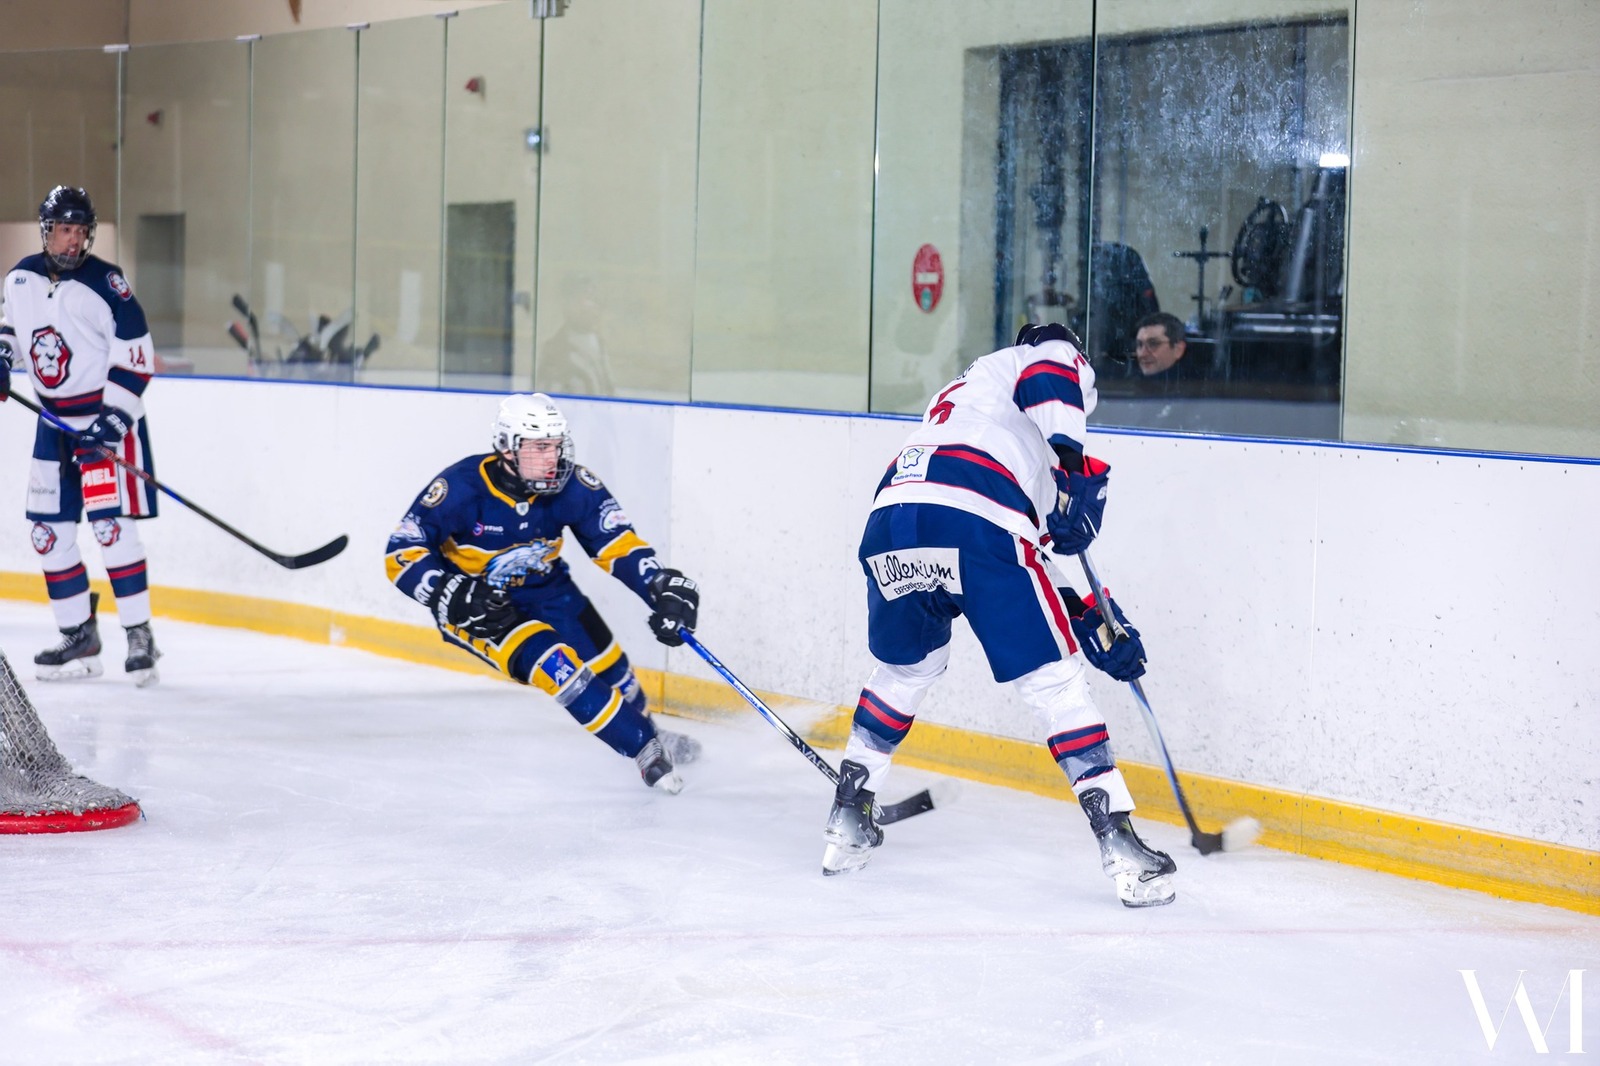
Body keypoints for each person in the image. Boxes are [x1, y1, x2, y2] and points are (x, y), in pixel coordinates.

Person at [822, 323, 1177, 907]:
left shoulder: (975, 407)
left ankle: (848, 817)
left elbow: (1027, 554)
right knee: (1056, 686)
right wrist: (1072, 464)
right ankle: (1120, 843)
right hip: (975, 518)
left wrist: (1095, 617)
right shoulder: (1039, 357)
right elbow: (1049, 372)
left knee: (905, 673)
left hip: (894, 518)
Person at [385, 393, 702, 792]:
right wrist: (446, 590)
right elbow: (401, 551)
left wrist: (660, 585)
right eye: (539, 447)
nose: (551, 457)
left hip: (549, 590)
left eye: (555, 445)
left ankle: (649, 728)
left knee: (610, 664)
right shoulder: (461, 487)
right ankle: (643, 747)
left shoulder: (573, 485)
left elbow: (616, 542)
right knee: (556, 665)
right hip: (481, 607)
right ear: (507, 448)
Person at [0, 186, 162, 686]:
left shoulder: (108, 284)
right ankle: (78, 634)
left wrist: (112, 423)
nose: (72, 240)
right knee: (48, 533)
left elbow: (137, 358)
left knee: (111, 529)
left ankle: (139, 635)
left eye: (80, 231)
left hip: (101, 426)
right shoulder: (20, 278)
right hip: (53, 426)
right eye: (64, 229)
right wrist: (2, 358)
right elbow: (12, 330)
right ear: (47, 230)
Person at [1132, 312, 1201, 379]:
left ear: (1178, 349)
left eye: (1153, 344)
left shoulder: (1197, 383)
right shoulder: (1131, 380)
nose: (1143, 354)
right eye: (1139, 344)